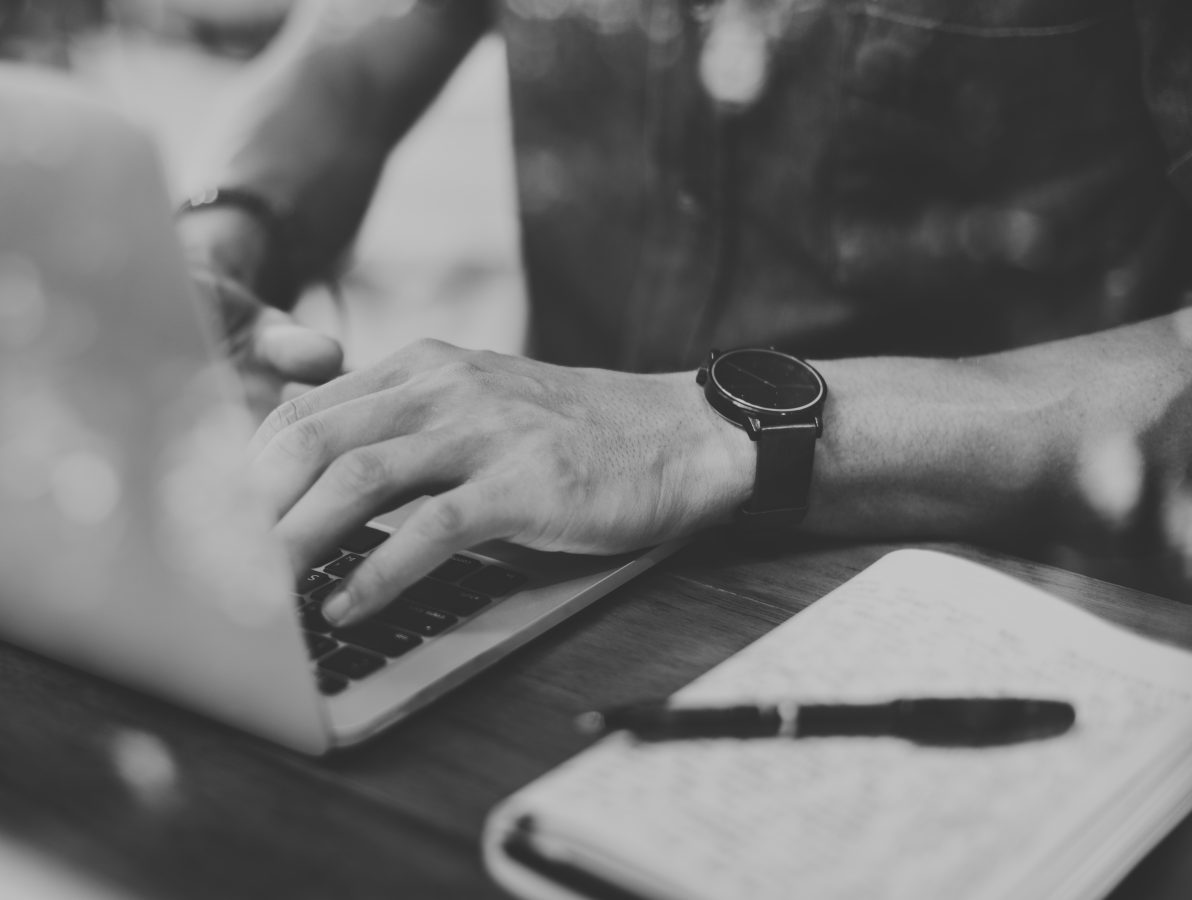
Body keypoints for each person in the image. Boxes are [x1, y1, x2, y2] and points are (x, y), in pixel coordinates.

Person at [175, 0, 1192, 626]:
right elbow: (355, 47)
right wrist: (227, 221)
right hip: (539, 567)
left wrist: (706, 433)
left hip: (1002, 619)